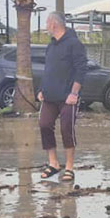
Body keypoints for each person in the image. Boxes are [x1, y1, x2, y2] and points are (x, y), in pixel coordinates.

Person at [38, 12, 87, 182]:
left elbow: (81, 70)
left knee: (66, 128)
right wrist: (42, 89)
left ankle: (69, 167)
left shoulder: (74, 44)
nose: (46, 25)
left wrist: (74, 93)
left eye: (47, 22)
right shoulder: (51, 46)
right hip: (50, 95)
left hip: (68, 97)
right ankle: (53, 163)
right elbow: (48, 70)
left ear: (54, 24)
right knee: (44, 125)